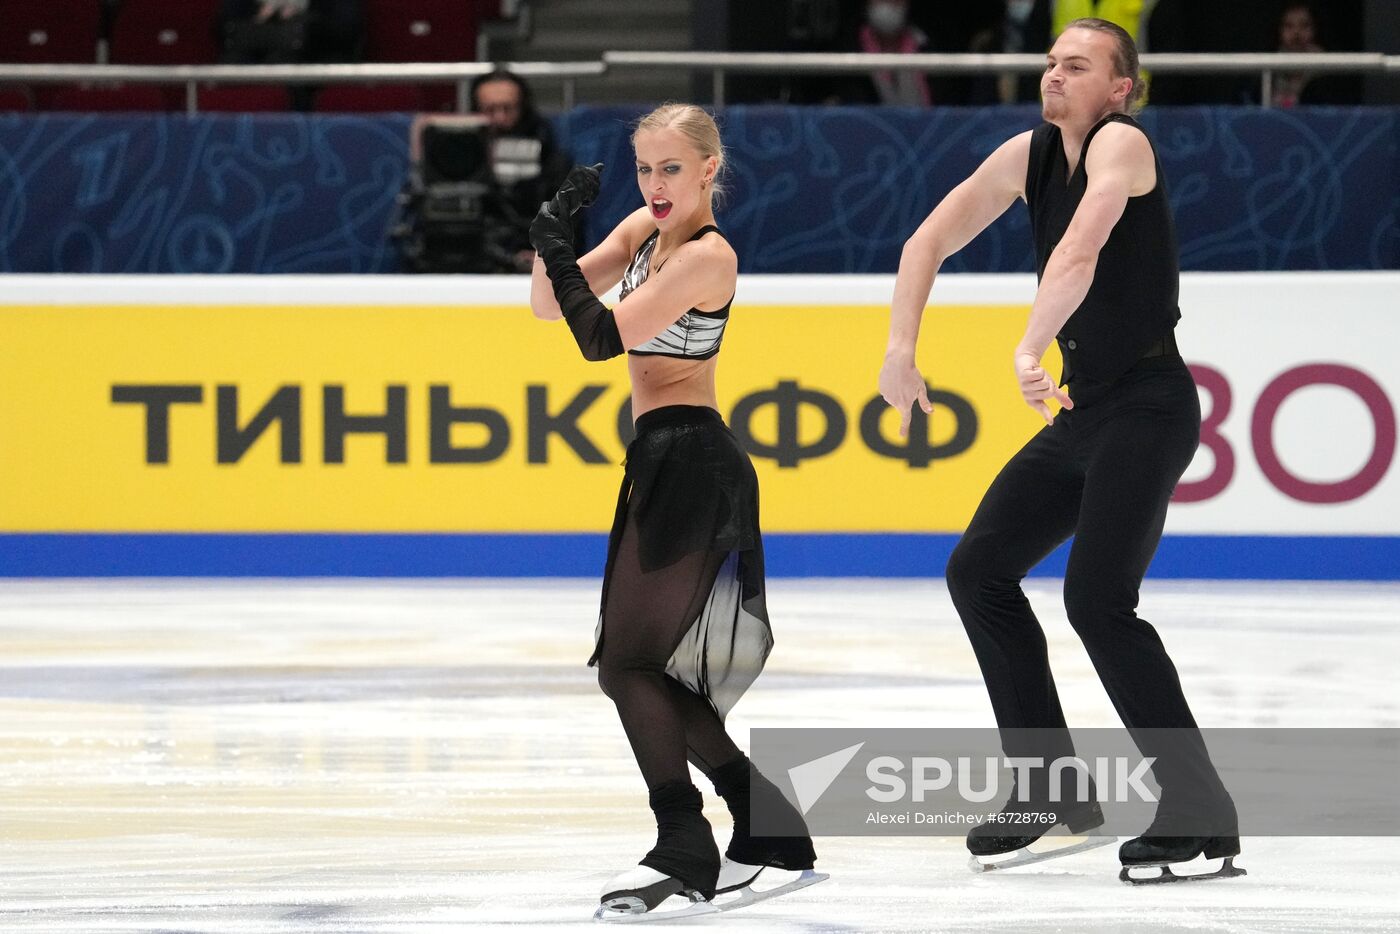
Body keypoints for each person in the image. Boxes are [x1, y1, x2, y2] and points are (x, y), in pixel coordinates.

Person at [878, 18, 1243, 883]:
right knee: (979, 570)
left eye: (1075, 66)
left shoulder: (1125, 148)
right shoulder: (1025, 154)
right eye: (1049, 62)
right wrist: (900, 349)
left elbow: (1079, 251)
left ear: (1120, 87)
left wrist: (1027, 348)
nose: (1053, 75)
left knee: (1098, 600)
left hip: (1151, 406)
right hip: (1087, 415)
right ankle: (1049, 783)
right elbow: (924, 242)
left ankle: (1200, 808)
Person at [528, 104, 821, 919]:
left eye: (670, 170)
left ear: (707, 170)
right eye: (644, 169)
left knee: (626, 665)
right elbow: (548, 307)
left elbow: (599, 338)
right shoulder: (642, 232)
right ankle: (769, 823)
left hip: (696, 460)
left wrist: (554, 246)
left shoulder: (706, 257)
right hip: (659, 460)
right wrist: (554, 225)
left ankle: (685, 843)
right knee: (640, 666)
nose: (655, 186)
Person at [473, 69, 572, 272]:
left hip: (536, 260)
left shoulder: (551, 158)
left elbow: (565, 217)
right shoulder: (454, 157)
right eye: (489, 109)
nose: (499, 118)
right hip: (474, 259)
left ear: (523, 108)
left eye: (508, 108)